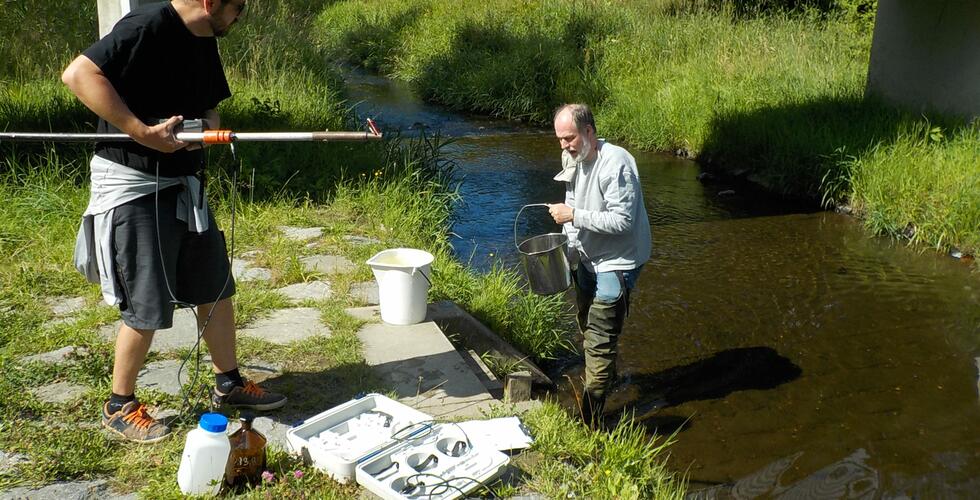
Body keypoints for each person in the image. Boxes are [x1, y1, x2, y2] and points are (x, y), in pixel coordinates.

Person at [62, 0, 285, 444]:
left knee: (215, 287)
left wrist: (205, 129)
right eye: (237, 7)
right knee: (145, 302)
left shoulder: (204, 37)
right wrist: (140, 131)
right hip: (132, 185)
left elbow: (210, 105)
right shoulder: (148, 23)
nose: (240, 16)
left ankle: (230, 382)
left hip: (184, 184)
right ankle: (118, 404)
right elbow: (79, 75)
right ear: (208, 2)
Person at [548, 103, 651, 427]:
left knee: (600, 336)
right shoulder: (573, 157)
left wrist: (574, 216)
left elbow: (622, 221)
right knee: (585, 320)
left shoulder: (616, 163)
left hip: (618, 261)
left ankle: (589, 421)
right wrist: (569, 249)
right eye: (560, 139)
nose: (564, 145)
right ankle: (607, 375)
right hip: (587, 257)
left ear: (589, 132)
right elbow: (573, 204)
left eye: (569, 138)